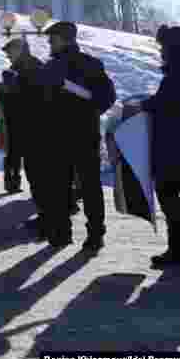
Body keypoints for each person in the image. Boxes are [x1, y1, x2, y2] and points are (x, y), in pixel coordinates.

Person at [123, 26, 180, 268]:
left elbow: (167, 102)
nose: (161, 51)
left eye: (163, 47)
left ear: (173, 47)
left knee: (170, 195)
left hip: (177, 148)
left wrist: (142, 106)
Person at [37, 21, 116, 252]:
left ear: (65, 39)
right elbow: (41, 101)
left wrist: (83, 98)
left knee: (81, 186)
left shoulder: (86, 65)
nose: (49, 43)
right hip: (67, 135)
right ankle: (72, 234)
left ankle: (85, 234)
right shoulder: (52, 66)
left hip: (75, 135)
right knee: (67, 186)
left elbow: (107, 97)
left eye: (52, 39)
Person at [0, 37, 47, 237]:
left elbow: (30, 97)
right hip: (22, 126)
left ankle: (48, 218)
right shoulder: (20, 68)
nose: (7, 56)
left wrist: (6, 90)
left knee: (39, 173)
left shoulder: (31, 67)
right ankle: (47, 213)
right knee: (35, 172)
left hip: (33, 128)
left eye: (9, 52)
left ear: (19, 50)